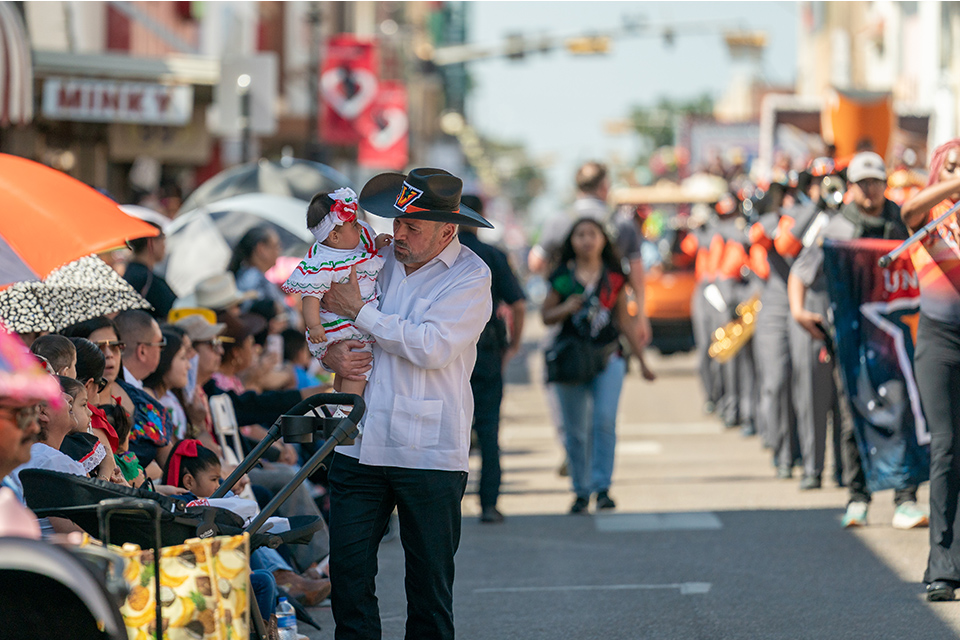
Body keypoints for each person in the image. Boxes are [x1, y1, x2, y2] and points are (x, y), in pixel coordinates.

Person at [319, 167, 492, 640]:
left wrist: (362, 313)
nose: (398, 233)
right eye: (397, 221)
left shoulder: (471, 275)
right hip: (359, 442)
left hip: (429, 450)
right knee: (349, 577)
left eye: (412, 227)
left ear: (447, 231)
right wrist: (327, 349)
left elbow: (433, 347)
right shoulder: (377, 257)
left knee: (429, 589)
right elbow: (327, 310)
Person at [788, 151, 923, 528]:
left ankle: (905, 498)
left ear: (884, 182)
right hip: (849, 337)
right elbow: (800, 273)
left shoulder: (903, 221)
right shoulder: (834, 228)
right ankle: (857, 497)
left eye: (876, 181)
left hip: (896, 335)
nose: (870, 189)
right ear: (851, 187)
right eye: (862, 183)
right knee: (852, 417)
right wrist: (799, 312)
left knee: (904, 413)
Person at [541, 218, 648, 514]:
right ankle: (580, 490)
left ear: (603, 240)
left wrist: (642, 360)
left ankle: (602, 487)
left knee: (604, 421)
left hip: (608, 357)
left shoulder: (614, 277)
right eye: (580, 235)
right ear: (571, 241)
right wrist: (566, 307)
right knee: (575, 430)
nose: (587, 240)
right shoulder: (562, 277)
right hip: (571, 360)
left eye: (592, 234)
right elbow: (545, 315)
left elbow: (624, 319)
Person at [900, 138, 960, 601]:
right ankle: (941, 566)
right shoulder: (927, 218)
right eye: (952, 168)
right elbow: (907, 213)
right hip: (938, 341)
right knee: (946, 447)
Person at [282, 188, 389, 414]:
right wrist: (315, 326)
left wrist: (378, 242)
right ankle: (346, 413)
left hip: (352, 320)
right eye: (354, 225)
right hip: (342, 325)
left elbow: (368, 251)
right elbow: (310, 297)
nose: (361, 228)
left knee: (344, 371)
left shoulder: (353, 245)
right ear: (334, 236)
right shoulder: (323, 262)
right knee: (358, 367)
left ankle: (338, 404)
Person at [458, 194, 527, 524]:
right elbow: (518, 303)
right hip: (487, 353)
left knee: (449, 432)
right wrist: (513, 345)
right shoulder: (493, 255)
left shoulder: (445, 254)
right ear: (482, 215)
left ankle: (448, 504)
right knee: (488, 431)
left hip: (449, 354)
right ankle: (488, 504)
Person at [229, 225, 292, 323]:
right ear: (261, 249)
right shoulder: (251, 278)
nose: (279, 251)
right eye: (276, 246)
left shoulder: (254, 276)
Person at [122, 219, 178, 321]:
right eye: (163, 239)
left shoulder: (128, 273)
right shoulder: (149, 280)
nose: (165, 246)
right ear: (151, 242)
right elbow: (175, 311)